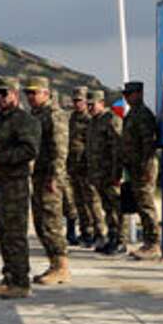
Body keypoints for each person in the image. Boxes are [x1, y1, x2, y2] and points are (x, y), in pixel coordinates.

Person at [0, 77, 40, 299]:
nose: (0, 98)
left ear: (15, 93)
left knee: (15, 234)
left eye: (4, 93)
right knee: (3, 233)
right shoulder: (0, 120)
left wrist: (0, 158)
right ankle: (10, 276)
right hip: (0, 183)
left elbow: (29, 150)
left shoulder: (24, 120)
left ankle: (21, 282)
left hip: (14, 184)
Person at [24, 78, 71, 286]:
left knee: (51, 221)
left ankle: (62, 267)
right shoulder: (36, 115)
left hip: (50, 177)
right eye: (28, 93)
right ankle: (54, 263)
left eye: (34, 93)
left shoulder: (54, 116)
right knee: (40, 222)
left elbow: (60, 150)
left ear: (46, 93)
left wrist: (55, 177)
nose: (31, 97)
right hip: (39, 175)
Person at [121, 80, 162, 258]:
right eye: (125, 95)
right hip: (134, 167)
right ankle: (147, 242)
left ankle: (153, 244)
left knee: (146, 206)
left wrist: (145, 168)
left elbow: (148, 144)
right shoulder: (132, 114)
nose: (127, 98)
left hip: (144, 167)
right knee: (140, 205)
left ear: (139, 94)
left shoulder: (143, 115)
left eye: (129, 94)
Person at [88, 92, 126, 254]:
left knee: (117, 206)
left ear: (102, 103)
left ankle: (120, 240)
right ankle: (111, 236)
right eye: (88, 105)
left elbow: (117, 148)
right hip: (98, 174)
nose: (90, 108)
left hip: (110, 173)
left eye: (93, 104)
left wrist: (116, 173)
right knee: (107, 207)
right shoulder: (93, 122)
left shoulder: (111, 119)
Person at [66, 88, 94, 247]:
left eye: (80, 100)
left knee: (89, 200)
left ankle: (91, 231)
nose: (77, 104)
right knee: (75, 200)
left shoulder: (89, 120)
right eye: (75, 101)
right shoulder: (71, 118)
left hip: (86, 166)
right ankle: (83, 232)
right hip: (72, 166)